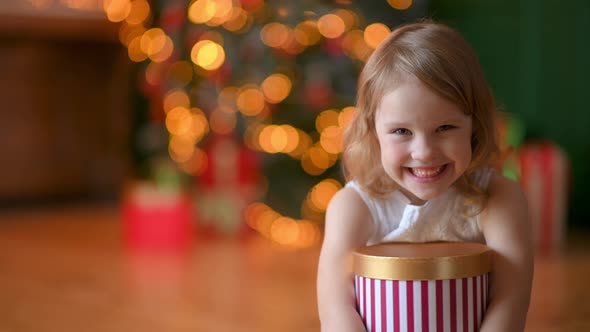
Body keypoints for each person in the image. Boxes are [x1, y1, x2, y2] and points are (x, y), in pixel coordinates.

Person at [317, 20, 533, 332]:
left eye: (445, 128)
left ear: (475, 125)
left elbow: (509, 301)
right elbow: (336, 309)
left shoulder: (498, 199)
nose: (424, 152)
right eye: (402, 131)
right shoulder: (355, 205)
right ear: (373, 130)